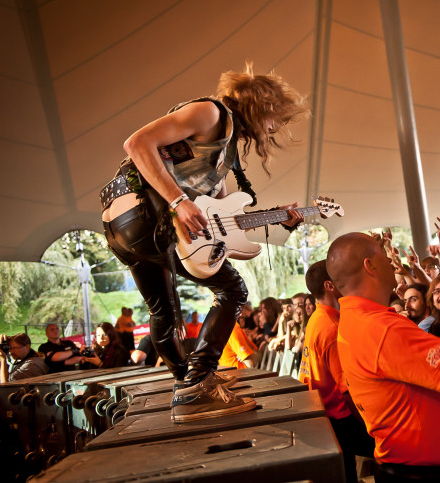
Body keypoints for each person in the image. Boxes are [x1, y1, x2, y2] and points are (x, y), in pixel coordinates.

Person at [99, 62, 307, 422]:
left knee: (164, 312)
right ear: (261, 105)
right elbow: (137, 143)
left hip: (124, 227)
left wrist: (279, 218)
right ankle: (197, 384)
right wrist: (179, 202)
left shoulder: (222, 151)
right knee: (233, 291)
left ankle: (191, 387)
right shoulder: (211, 112)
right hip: (145, 214)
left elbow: (222, 224)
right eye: (276, 118)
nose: (274, 128)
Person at [327, 232, 440, 482]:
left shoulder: (357, 321)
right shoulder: (381, 329)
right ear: (370, 266)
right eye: (382, 254)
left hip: (421, 466)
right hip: (425, 471)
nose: (391, 261)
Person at [299, 260, 375, 483]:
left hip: (324, 414)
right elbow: (346, 388)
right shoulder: (331, 327)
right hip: (340, 418)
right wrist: (371, 426)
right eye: (341, 277)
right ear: (330, 285)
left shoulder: (318, 318)